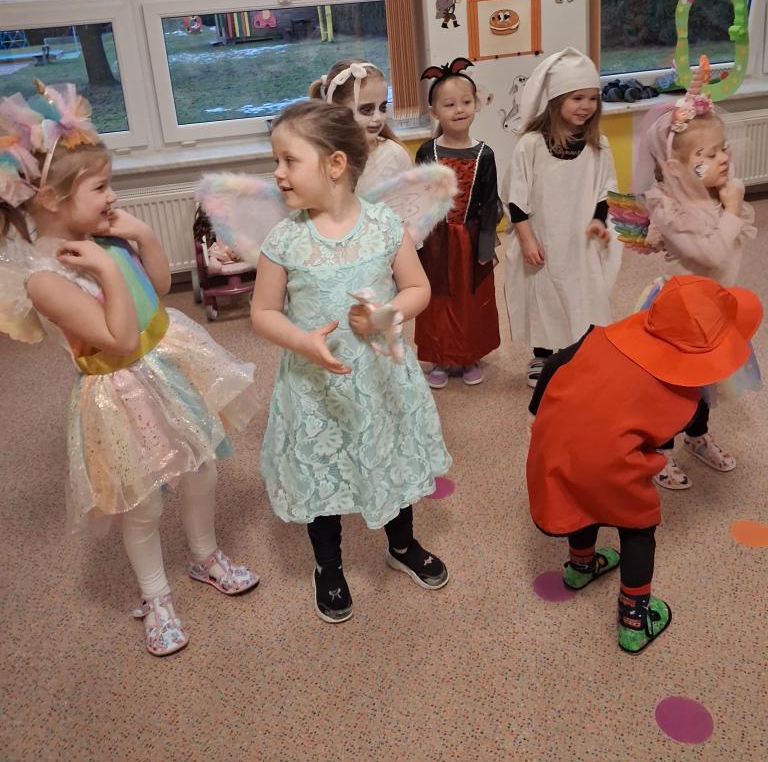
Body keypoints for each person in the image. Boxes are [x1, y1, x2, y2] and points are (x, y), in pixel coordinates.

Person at [0, 84, 260, 658]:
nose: (113, 195)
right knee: (143, 502)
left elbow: (162, 286)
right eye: (100, 187)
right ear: (50, 197)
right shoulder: (44, 280)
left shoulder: (105, 237)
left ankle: (204, 556)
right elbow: (116, 337)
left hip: (168, 365)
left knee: (201, 468)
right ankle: (156, 595)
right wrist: (105, 267)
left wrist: (139, 236)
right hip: (117, 391)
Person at [250, 99, 451, 624]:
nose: (278, 174)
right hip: (315, 385)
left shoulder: (385, 226)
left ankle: (402, 545)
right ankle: (328, 565)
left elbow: (417, 289)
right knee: (324, 471)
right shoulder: (284, 239)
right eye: (276, 161)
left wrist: (385, 314)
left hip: (380, 378)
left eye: (289, 161)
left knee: (390, 456)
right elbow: (262, 312)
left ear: (335, 164)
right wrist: (301, 341)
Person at [527, 275, 762, 653]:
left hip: (555, 441)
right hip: (608, 462)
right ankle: (635, 619)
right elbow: (657, 439)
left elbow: (554, 362)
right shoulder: (682, 398)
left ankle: (581, 567)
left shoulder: (601, 336)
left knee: (580, 501)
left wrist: (536, 413)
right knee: (637, 527)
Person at [632, 61, 758, 489]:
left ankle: (697, 436)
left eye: (722, 149)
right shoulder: (672, 208)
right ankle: (660, 450)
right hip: (682, 314)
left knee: (707, 382)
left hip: (714, 311)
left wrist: (725, 204)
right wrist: (733, 208)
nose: (723, 159)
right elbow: (713, 252)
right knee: (676, 387)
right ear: (676, 167)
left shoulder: (710, 195)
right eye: (707, 155)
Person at [502, 47, 621, 387]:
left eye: (593, 98)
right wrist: (527, 239)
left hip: (580, 239)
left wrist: (598, 221)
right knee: (543, 294)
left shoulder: (599, 146)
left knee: (581, 292)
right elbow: (516, 199)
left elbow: (605, 190)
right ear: (556, 100)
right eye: (577, 98)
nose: (586, 106)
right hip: (542, 237)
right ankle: (542, 354)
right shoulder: (531, 145)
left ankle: (578, 349)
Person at [414, 58, 502, 389]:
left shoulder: (485, 155)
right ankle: (440, 356)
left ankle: (468, 356)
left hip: (470, 240)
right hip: (435, 241)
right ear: (435, 111)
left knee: (470, 299)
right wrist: (416, 241)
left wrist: (485, 245)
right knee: (438, 298)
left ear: (476, 105)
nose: (459, 109)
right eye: (449, 104)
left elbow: (490, 203)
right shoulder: (428, 151)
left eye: (466, 102)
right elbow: (417, 199)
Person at [308, 59, 412, 195]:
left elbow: (411, 203)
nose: (378, 117)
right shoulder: (318, 158)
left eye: (383, 108)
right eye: (366, 109)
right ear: (338, 110)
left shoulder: (395, 154)